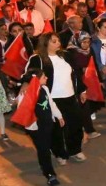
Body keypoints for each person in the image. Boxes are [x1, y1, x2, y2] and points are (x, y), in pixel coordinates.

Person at [22, 33, 87, 165]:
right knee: (56, 129)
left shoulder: (66, 56)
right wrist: (25, 83)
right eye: (54, 41)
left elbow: (75, 74)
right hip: (52, 99)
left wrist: (82, 90)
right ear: (45, 44)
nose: (58, 43)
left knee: (75, 124)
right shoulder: (37, 58)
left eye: (58, 40)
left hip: (69, 96)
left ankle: (74, 150)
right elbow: (29, 75)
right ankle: (59, 153)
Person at [19, 69, 63, 186]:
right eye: (44, 77)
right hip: (35, 128)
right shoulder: (26, 93)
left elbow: (51, 103)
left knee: (45, 147)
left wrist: (59, 116)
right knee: (43, 149)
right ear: (36, 79)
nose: (47, 78)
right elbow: (22, 110)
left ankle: (45, 162)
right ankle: (49, 174)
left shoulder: (45, 89)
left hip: (47, 124)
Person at [64, 32, 102, 139]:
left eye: (88, 42)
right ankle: (88, 130)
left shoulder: (89, 51)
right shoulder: (70, 53)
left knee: (86, 103)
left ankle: (84, 127)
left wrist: (99, 78)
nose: (86, 44)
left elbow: (93, 64)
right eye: (84, 42)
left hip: (88, 80)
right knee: (82, 104)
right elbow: (71, 69)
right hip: (76, 82)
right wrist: (81, 69)